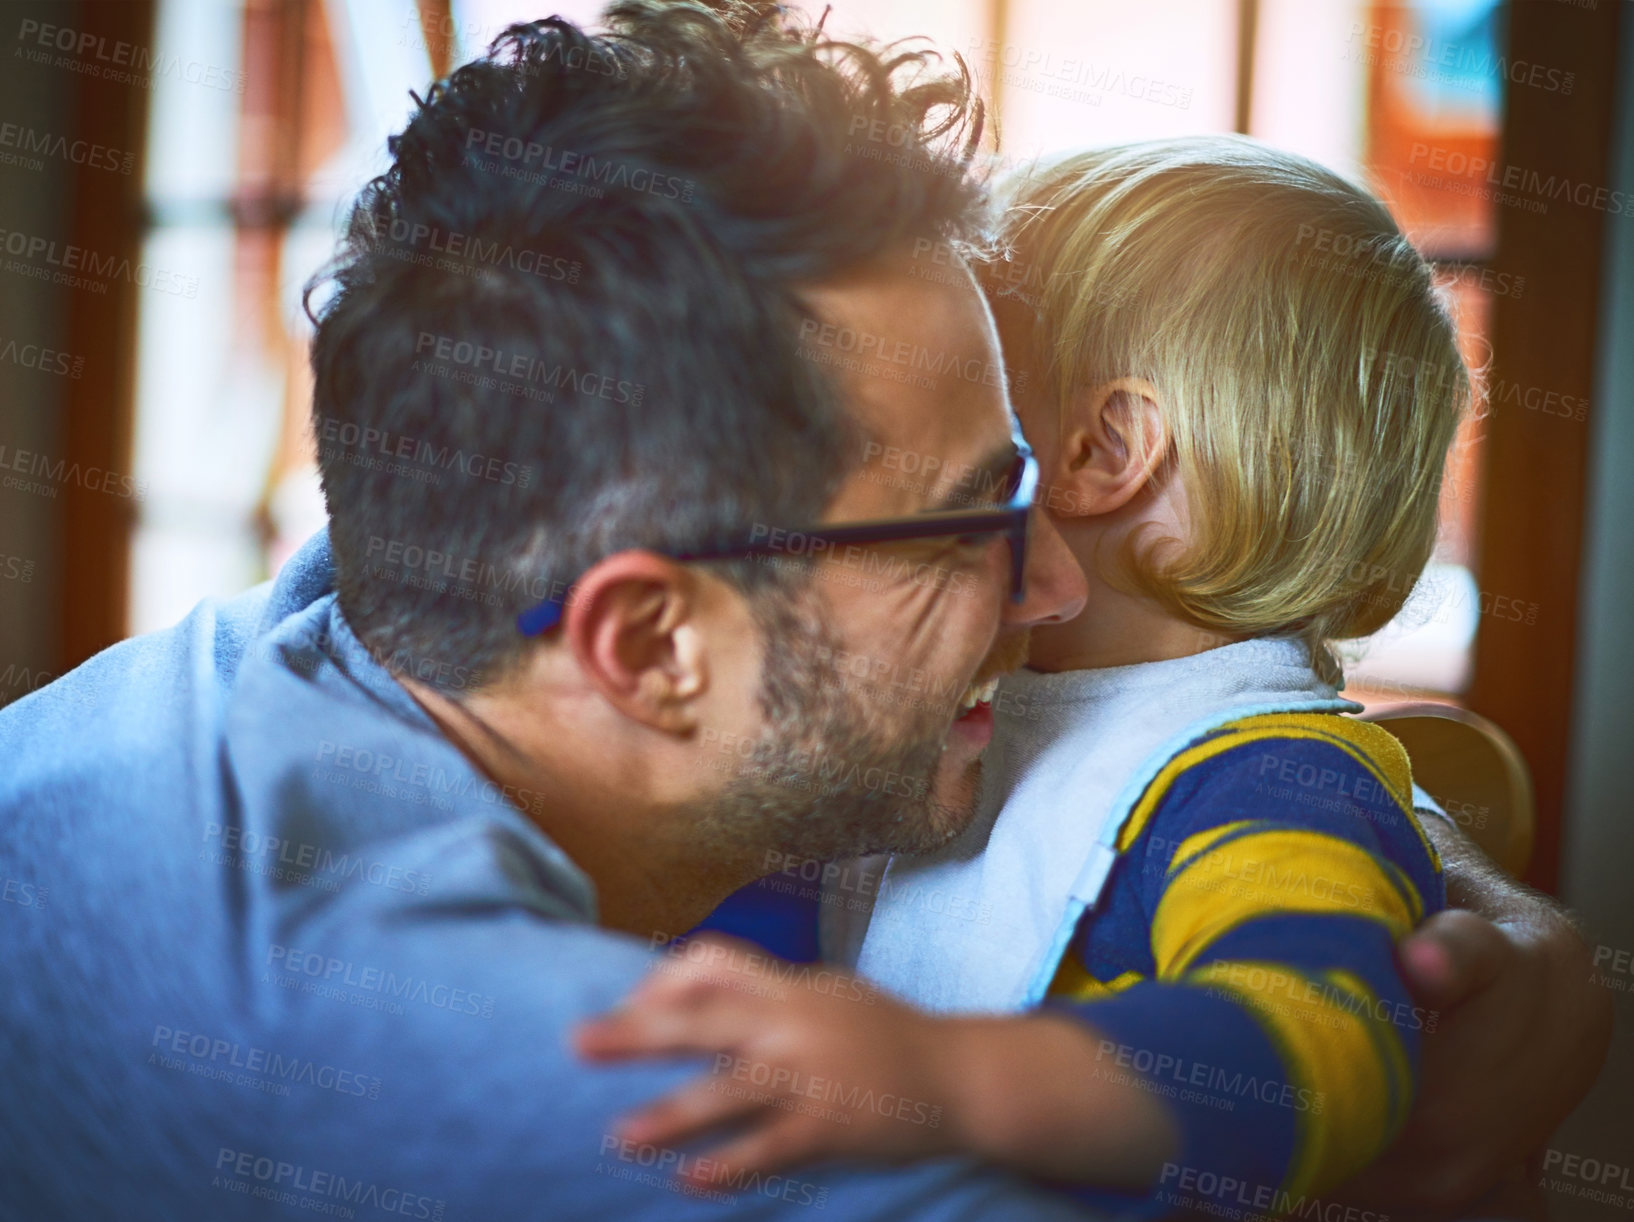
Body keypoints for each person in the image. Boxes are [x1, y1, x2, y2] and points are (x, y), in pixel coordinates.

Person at [0, 3, 1605, 1218]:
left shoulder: (391, 623)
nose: (1046, 582)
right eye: (981, 512)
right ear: (652, 644)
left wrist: (1413, 866)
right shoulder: (607, 1114)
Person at [576, 136, 1613, 1215]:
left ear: (1100, 447)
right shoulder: (974, 713)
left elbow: (1320, 1046)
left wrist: (944, 1076)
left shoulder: (1270, 776)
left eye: (986, 399)